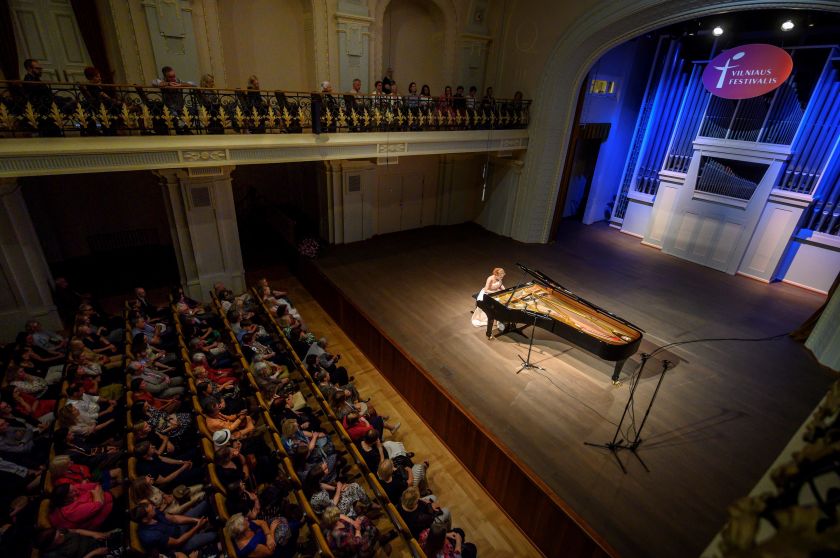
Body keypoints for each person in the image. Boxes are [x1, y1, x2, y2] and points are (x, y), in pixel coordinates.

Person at [131, 498, 216, 555]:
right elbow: (178, 542)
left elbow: (174, 518)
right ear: (145, 519)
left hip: (176, 528)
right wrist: (197, 527)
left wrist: (195, 521)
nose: (154, 507)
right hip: (180, 546)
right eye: (152, 509)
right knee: (214, 535)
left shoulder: (152, 513)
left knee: (205, 503)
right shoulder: (151, 536)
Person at [472, 267, 506, 338]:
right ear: (496, 275)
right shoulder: (490, 278)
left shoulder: (500, 278)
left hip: (495, 293)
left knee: (503, 302)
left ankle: (499, 320)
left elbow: (501, 285)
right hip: (487, 294)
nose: (501, 278)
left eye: (502, 277)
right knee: (496, 304)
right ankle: (495, 318)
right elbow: (486, 290)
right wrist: (495, 292)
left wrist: (505, 290)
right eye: (500, 276)